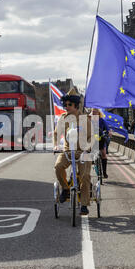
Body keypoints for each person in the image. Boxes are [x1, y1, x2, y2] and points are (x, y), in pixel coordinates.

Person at [54, 88, 92, 216]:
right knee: (58, 166)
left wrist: (88, 148)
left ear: (76, 106)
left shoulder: (84, 118)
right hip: (67, 151)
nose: (66, 107)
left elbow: (91, 136)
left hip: (83, 151)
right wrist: (55, 145)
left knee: (85, 176)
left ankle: (84, 205)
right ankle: (65, 188)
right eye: (65, 104)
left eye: (69, 104)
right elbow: (56, 133)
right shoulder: (63, 118)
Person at [91, 108, 110, 178]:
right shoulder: (90, 120)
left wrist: (108, 132)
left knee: (104, 154)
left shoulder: (102, 120)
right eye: (92, 112)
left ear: (98, 113)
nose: (93, 113)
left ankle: (104, 172)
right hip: (92, 139)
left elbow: (107, 129)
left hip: (101, 138)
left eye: (95, 112)